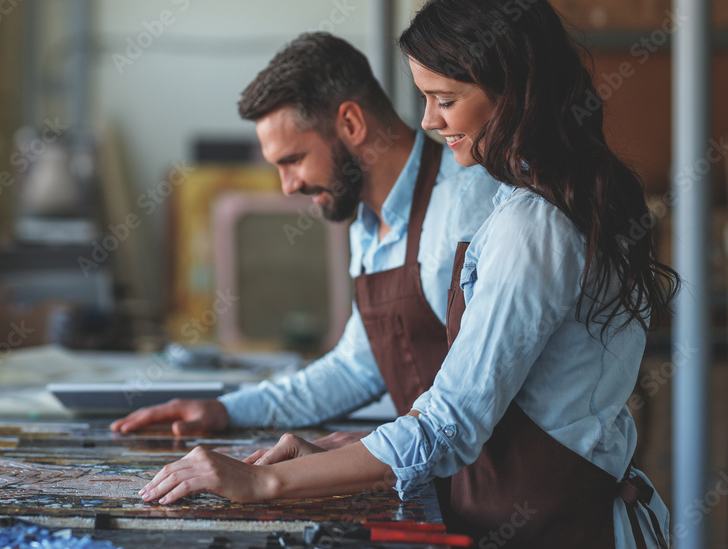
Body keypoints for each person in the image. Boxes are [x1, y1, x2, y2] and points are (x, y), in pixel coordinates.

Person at [136, 0, 678, 549]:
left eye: (445, 100)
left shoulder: (527, 223)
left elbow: (451, 422)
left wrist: (264, 481)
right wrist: (312, 446)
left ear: (515, 93)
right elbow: (434, 393)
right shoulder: (531, 209)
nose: (428, 120)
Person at [110, 32, 500, 448]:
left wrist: (360, 449)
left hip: (500, 496)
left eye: (293, 160)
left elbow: (491, 391)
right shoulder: (367, 223)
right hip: (446, 483)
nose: (287, 186)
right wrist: (225, 409)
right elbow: (356, 369)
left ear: (350, 124)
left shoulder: (470, 205)